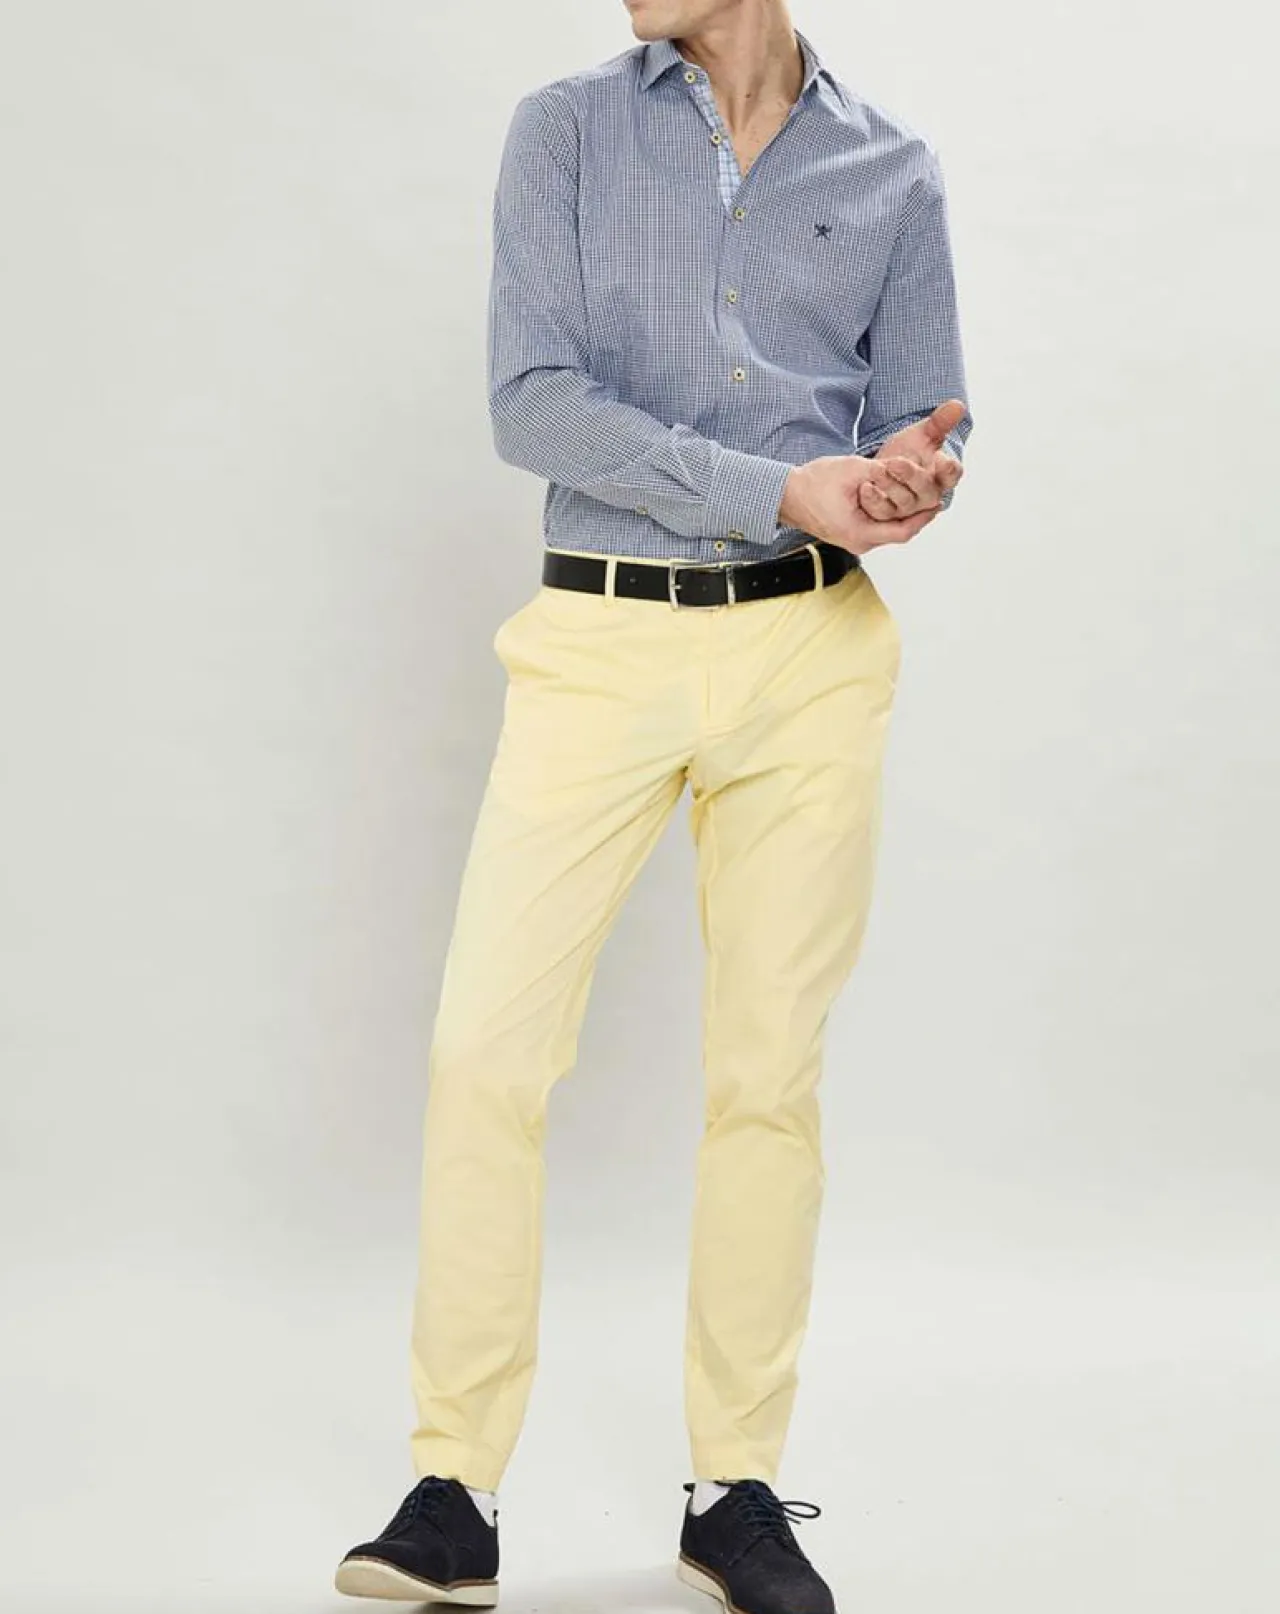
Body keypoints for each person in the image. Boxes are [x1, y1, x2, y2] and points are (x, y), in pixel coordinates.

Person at [334, 1, 971, 1609]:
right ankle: (453, 1487)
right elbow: (532, 403)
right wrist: (774, 485)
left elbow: (925, 410)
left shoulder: (893, 169)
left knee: (767, 1075)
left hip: (812, 651)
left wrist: (908, 477)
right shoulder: (566, 131)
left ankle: (731, 1488)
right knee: (486, 1050)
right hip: (601, 637)